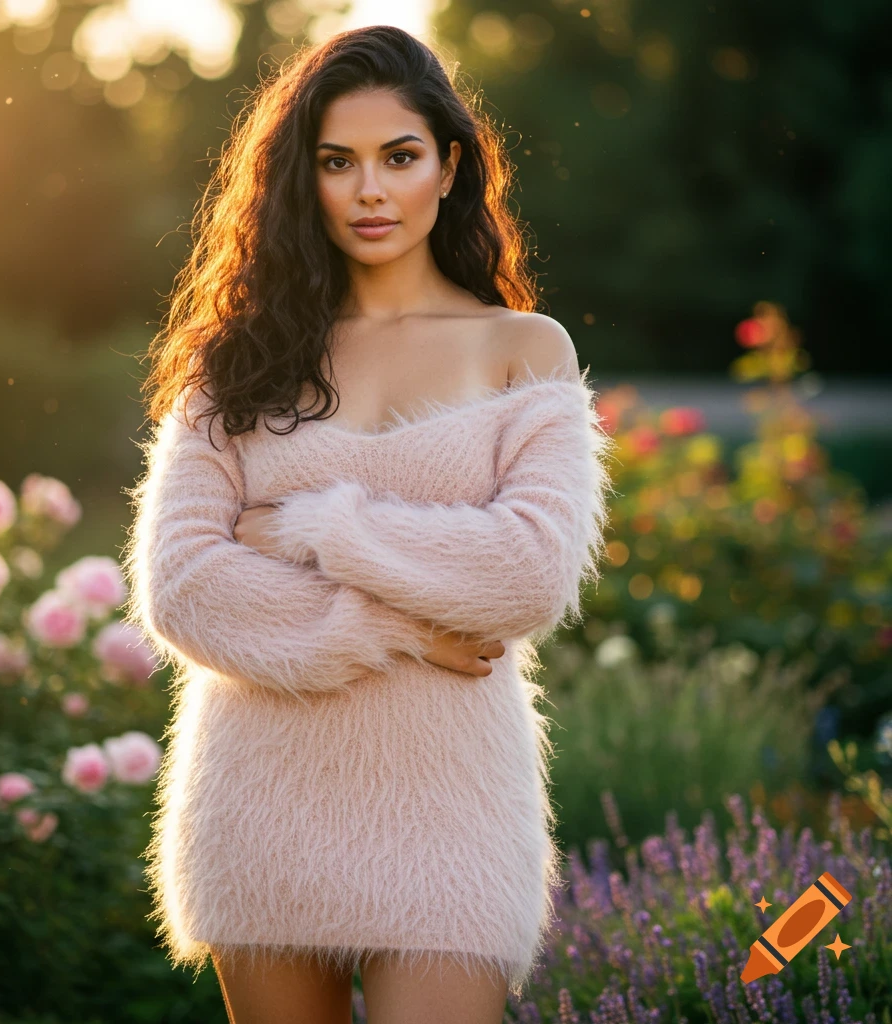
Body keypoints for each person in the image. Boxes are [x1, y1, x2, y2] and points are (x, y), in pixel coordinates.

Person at [121, 24, 614, 1024]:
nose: (370, 190)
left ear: (449, 167)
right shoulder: (239, 359)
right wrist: (405, 626)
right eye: (336, 163)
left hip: (452, 808)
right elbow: (182, 586)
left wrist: (308, 526)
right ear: (303, 180)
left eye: (399, 157)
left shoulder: (524, 349)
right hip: (260, 797)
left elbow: (523, 576)